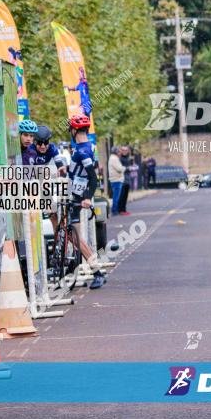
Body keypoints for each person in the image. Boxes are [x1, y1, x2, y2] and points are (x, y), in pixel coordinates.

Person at [65, 114, 106, 289]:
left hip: (77, 196)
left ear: (74, 130)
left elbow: (93, 177)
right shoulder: (85, 147)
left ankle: (97, 272)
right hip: (74, 194)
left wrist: (87, 197)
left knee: (77, 238)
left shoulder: (83, 151)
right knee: (72, 237)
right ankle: (71, 272)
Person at [108, 147, 126, 215]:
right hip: (116, 179)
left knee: (116, 196)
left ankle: (115, 210)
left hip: (116, 179)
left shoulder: (113, 158)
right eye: (118, 151)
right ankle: (114, 210)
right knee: (116, 196)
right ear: (116, 152)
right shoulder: (114, 158)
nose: (120, 153)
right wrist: (124, 168)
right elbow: (119, 169)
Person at [117, 146, 131, 215]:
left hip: (127, 179)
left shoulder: (128, 158)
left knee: (125, 196)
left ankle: (124, 210)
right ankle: (120, 210)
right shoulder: (119, 159)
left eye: (126, 150)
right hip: (122, 179)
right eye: (123, 150)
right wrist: (128, 168)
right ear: (121, 151)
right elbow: (121, 168)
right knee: (121, 195)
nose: (125, 151)